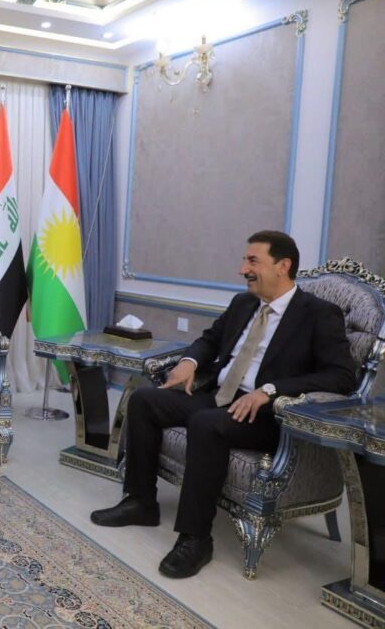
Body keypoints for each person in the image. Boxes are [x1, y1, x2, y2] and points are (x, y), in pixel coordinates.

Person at [90, 230, 355, 578]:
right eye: (245, 260)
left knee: (206, 424)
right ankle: (141, 502)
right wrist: (190, 362)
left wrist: (271, 390)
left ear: (283, 266)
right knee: (144, 400)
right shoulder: (243, 304)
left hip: (265, 415)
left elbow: (341, 376)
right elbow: (210, 340)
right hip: (220, 397)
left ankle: (196, 539)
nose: (243, 269)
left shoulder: (319, 314)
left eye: (252, 261)